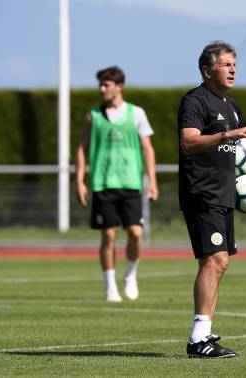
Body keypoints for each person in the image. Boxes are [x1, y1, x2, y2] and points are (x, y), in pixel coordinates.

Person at [178, 41, 246, 358]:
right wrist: (226, 135)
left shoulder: (231, 105)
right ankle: (198, 340)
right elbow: (188, 143)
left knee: (217, 263)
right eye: (225, 64)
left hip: (224, 194)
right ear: (207, 70)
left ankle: (204, 335)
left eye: (234, 64)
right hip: (202, 192)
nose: (233, 69)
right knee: (216, 260)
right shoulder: (195, 101)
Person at [75, 66, 158, 302]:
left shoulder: (136, 113)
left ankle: (130, 274)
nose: (102, 89)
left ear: (119, 86)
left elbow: (147, 148)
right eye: (100, 85)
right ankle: (110, 286)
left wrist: (152, 181)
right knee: (108, 237)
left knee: (135, 233)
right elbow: (82, 149)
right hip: (103, 183)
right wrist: (79, 181)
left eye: (106, 85)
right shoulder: (94, 115)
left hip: (130, 182)